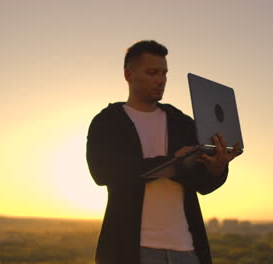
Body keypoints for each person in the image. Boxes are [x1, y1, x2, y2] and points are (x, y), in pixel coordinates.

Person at [86, 40, 240, 264]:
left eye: (164, 73)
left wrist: (217, 169)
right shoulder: (107, 122)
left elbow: (203, 184)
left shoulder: (183, 122)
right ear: (128, 75)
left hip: (186, 250)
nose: (161, 79)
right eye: (152, 72)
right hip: (131, 252)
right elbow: (102, 173)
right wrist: (172, 162)